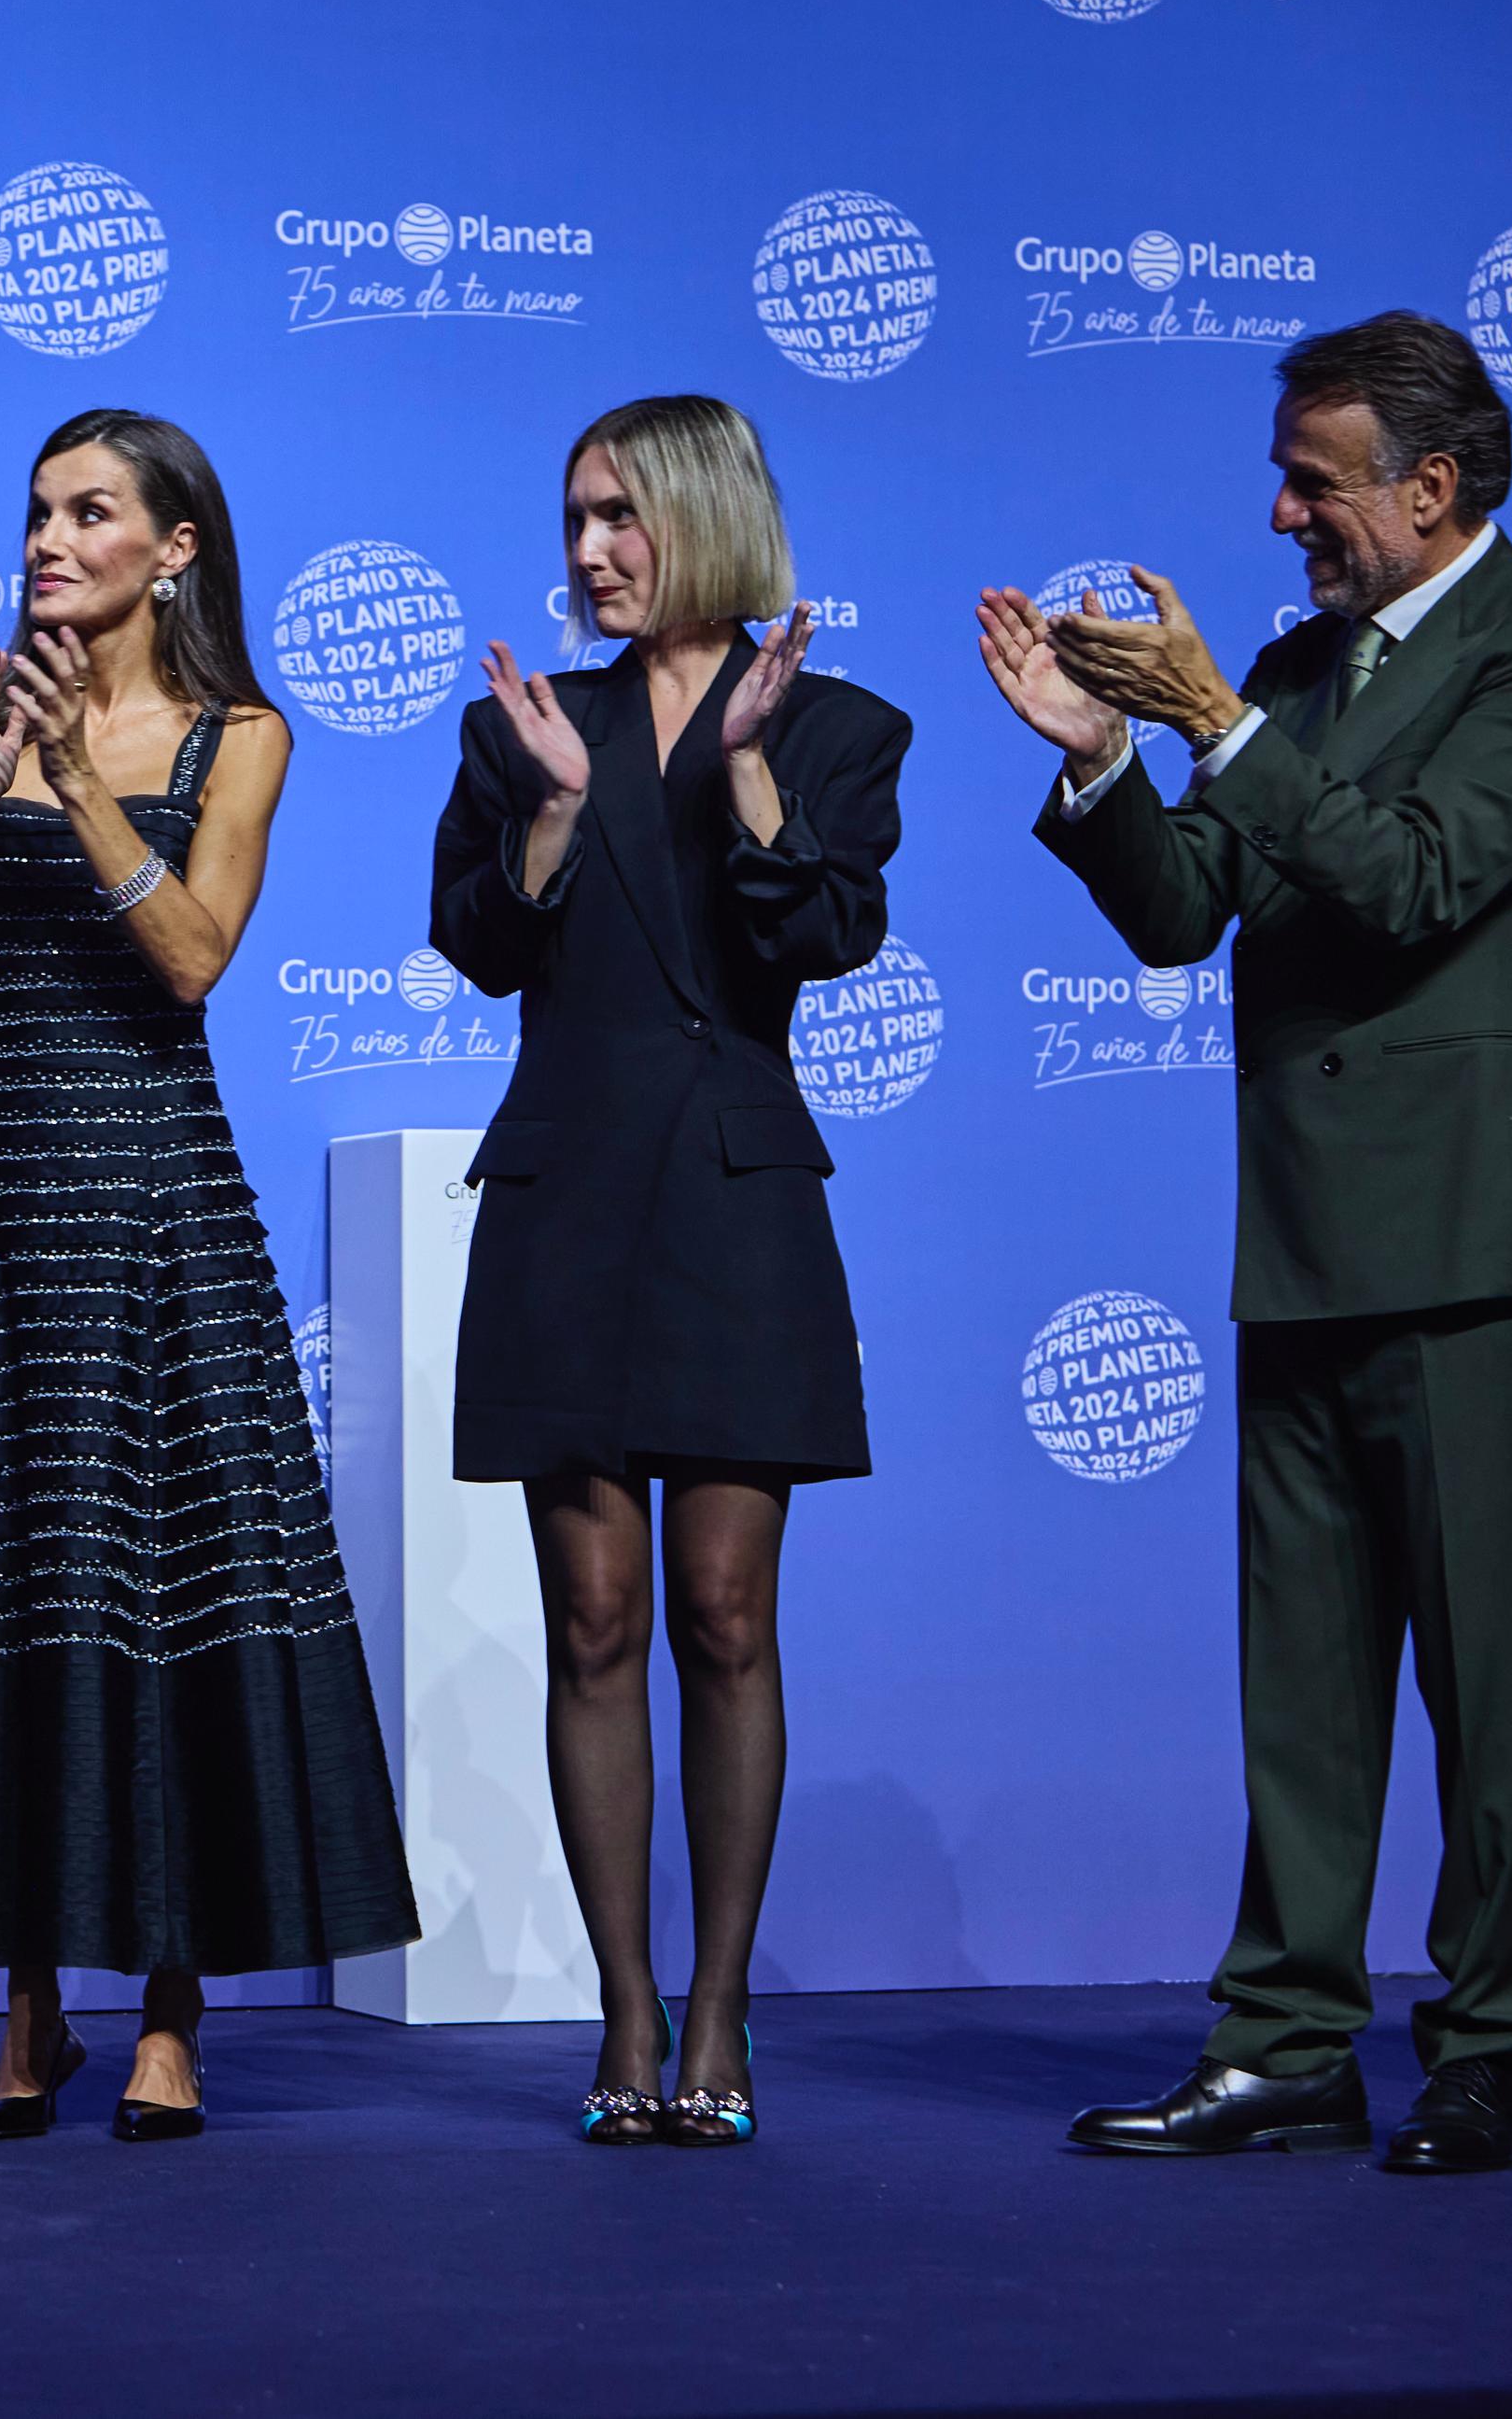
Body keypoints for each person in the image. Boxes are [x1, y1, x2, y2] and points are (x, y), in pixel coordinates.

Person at [986, 312, 1512, 2177]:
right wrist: (1106, 757)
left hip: (1482, 1244)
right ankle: (1285, 2041)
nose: (1279, 515)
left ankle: (1484, 2048)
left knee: (1483, 1683)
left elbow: (1416, 874)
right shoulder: (1284, 670)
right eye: (1281, 475)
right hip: (1302, 1234)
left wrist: (1215, 723)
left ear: (1431, 488)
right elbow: (1194, 910)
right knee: (1306, 1685)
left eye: (1313, 481)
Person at [0, 408, 416, 2142]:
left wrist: (79, 787)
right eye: (37, 514)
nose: (50, 543)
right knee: (0, 1581)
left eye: (89, 514)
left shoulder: (242, 736)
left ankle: (167, 2014)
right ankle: (25, 2014)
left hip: (154, 1202)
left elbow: (194, 959)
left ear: (176, 549)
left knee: (159, 1594)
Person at [427, 395, 905, 2148]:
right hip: (565, 1200)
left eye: (619, 514)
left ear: (700, 514)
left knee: (724, 1612)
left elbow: (827, 935)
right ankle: (625, 2016)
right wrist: (551, 812)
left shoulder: (843, 725)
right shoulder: (531, 726)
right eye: (573, 518)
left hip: (733, 1201)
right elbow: (476, 941)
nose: (586, 551)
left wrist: (758, 773)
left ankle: (722, 2011)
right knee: (596, 1618)